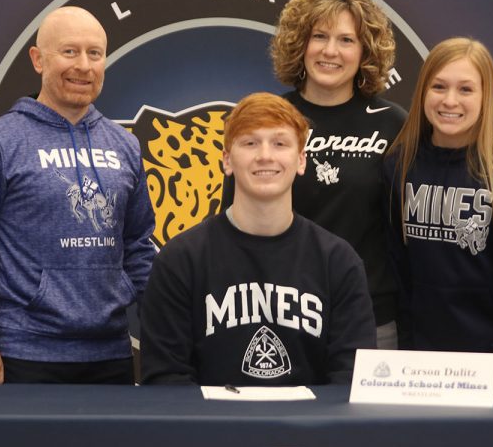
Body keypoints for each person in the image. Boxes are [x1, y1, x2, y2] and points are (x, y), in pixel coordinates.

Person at [0, 6, 156, 384]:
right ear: (38, 59)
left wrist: (165, 325)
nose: (84, 66)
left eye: (95, 53)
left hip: (112, 354)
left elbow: (138, 246)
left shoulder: (124, 145)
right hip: (24, 352)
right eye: (69, 52)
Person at [140, 93, 376, 385]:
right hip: (213, 428)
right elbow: (166, 378)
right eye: (250, 143)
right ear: (227, 160)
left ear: (301, 160)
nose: (265, 155)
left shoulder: (339, 262)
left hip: (307, 429)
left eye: (280, 143)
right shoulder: (180, 261)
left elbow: (350, 379)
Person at [223, 0, 407, 349]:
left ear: (365, 50)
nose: (330, 51)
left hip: (370, 319)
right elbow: (232, 221)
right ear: (300, 44)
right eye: (319, 36)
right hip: (279, 314)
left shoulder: (393, 125)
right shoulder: (268, 118)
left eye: (346, 40)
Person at [383, 37, 493, 384]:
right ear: (422, 93)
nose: (450, 100)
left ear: (486, 96)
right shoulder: (400, 167)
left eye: (466, 89)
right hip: (428, 371)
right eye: (439, 87)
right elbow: (400, 274)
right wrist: (407, 357)